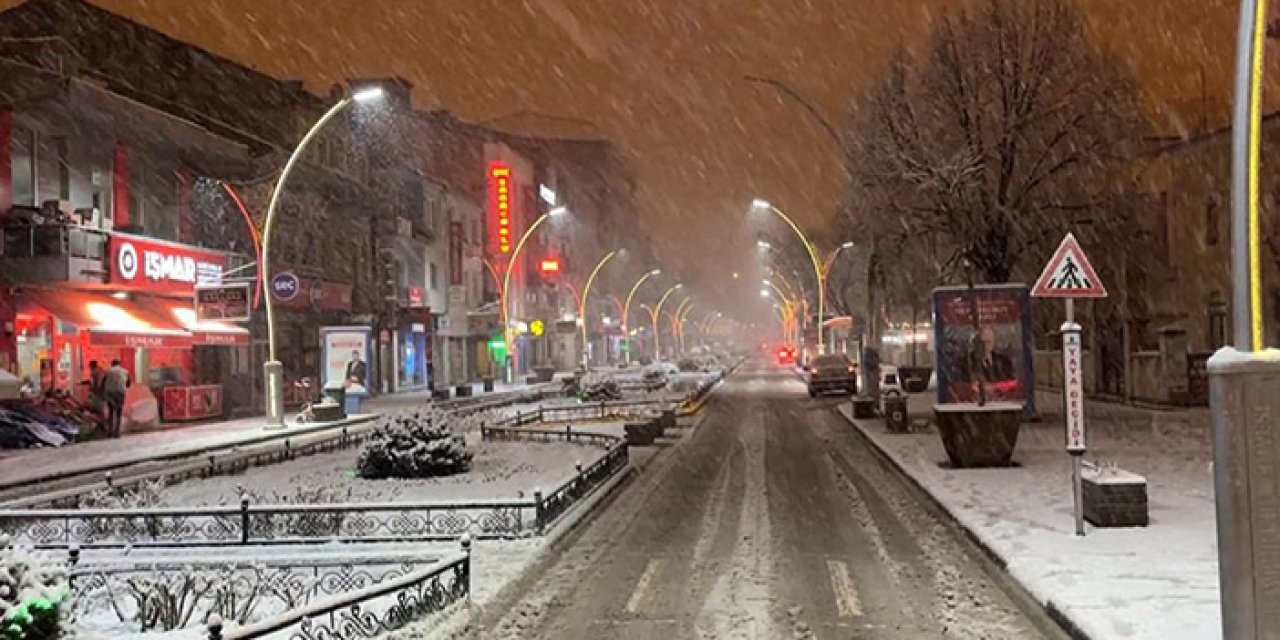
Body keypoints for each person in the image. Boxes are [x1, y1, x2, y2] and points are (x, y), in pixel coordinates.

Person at [103, 359, 130, 438]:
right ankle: (117, 433)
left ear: (112, 364)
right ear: (119, 364)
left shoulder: (108, 372)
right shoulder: (125, 372)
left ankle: (110, 432)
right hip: (120, 393)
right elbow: (128, 384)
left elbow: (103, 383)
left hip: (110, 393)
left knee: (111, 412)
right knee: (119, 413)